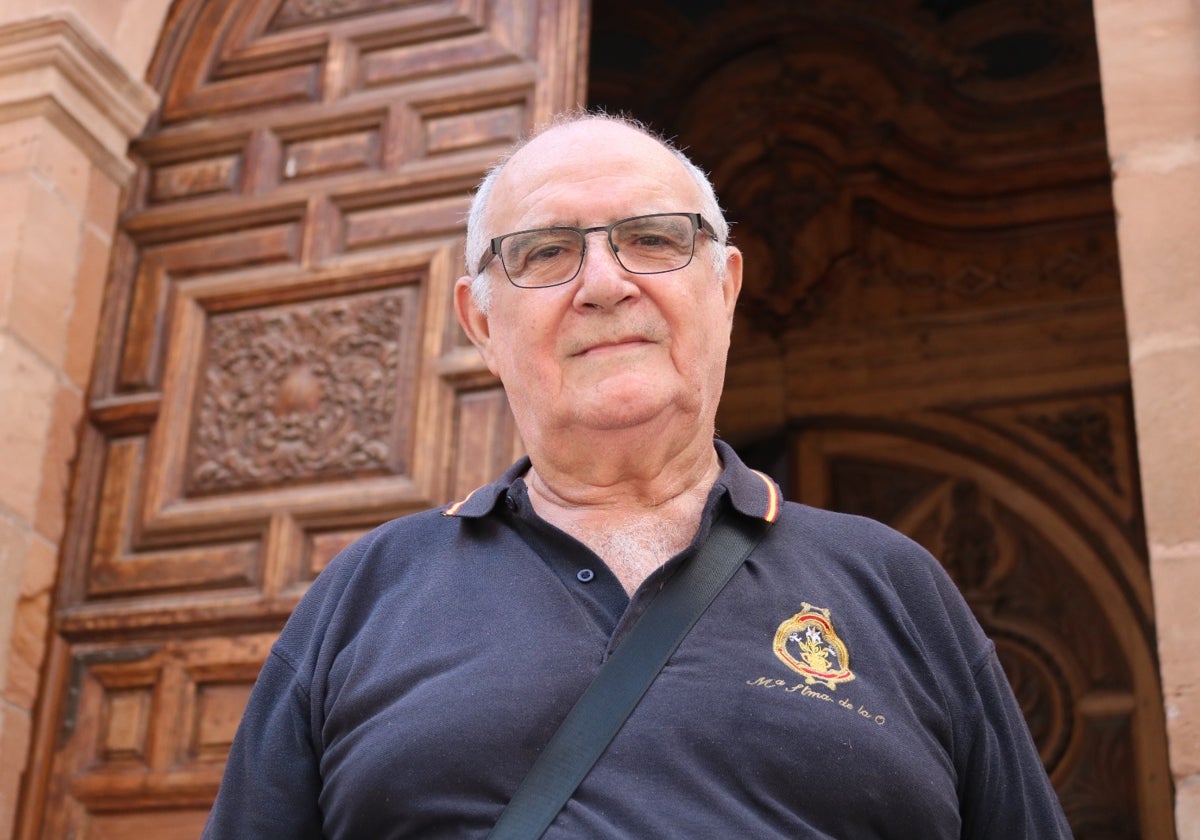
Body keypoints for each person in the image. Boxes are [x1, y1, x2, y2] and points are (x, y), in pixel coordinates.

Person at [201, 112, 1072, 838]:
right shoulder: (366, 594)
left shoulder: (895, 584)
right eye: (544, 253)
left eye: (652, 239)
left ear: (724, 288)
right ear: (480, 321)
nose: (604, 284)